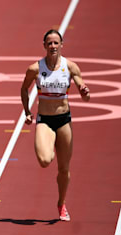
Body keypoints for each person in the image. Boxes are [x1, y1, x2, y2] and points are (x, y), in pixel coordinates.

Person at [20, 29, 90, 221]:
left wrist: (85, 92)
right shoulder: (35, 68)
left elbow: (85, 93)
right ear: (44, 45)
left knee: (64, 169)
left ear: (61, 45)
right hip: (45, 120)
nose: (52, 46)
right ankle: (49, 146)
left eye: (56, 43)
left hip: (64, 120)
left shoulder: (71, 67)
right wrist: (27, 111)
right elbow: (24, 89)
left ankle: (61, 204)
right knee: (44, 160)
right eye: (49, 43)